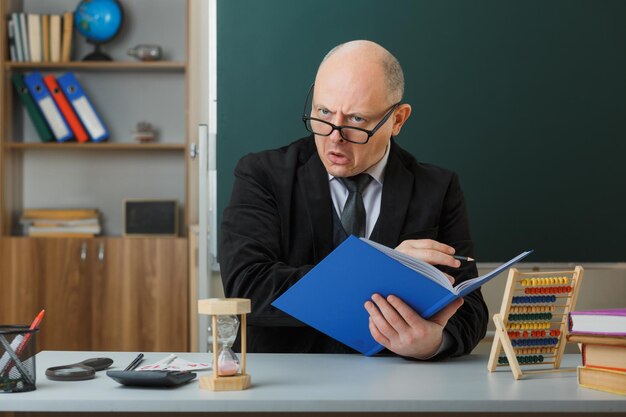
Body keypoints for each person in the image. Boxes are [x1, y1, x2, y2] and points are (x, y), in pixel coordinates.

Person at [220, 40, 488, 360]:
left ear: (398, 120)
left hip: (395, 389)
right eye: (323, 113)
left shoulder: (438, 188)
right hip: (283, 384)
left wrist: (434, 343)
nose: (334, 137)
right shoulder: (261, 175)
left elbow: (470, 307)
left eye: (357, 120)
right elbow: (247, 290)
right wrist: (378, 270)